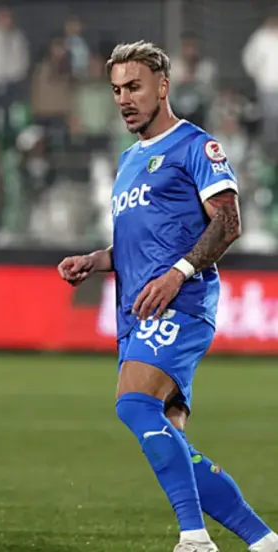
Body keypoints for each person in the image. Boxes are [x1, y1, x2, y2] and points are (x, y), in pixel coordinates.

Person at [58, 41, 278, 552]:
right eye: (116, 90)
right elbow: (145, 241)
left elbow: (228, 222)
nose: (124, 99)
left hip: (182, 302)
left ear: (163, 86)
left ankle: (195, 540)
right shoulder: (129, 160)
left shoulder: (195, 146)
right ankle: (262, 539)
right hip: (137, 310)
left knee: (135, 406)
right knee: (170, 436)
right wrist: (98, 259)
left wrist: (178, 274)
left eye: (134, 87)